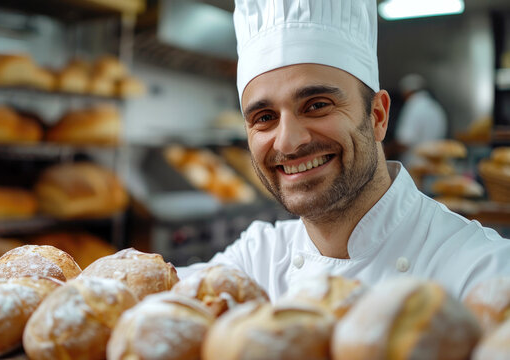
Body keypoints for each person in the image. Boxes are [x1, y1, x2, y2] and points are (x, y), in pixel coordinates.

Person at [176, 0, 510, 301]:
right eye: (264, 118)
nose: (288, 142)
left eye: (317, 105)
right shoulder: (256, 258)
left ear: (378, 116)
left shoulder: (482, 272)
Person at [394, 73, 448, 165]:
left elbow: (404, 141)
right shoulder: (435, 107)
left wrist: (385, 151)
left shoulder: (413, 105)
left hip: (415, 166)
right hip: (434, 164)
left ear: (407, 92)